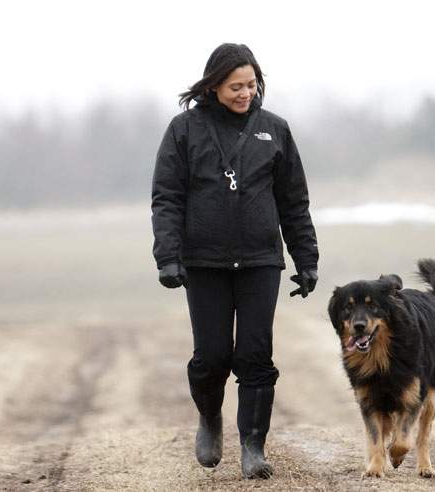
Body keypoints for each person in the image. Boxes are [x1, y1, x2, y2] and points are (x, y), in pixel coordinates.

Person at [150, 43, 319, 479]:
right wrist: (168, 257)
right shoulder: (184, 130)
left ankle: (253, 447)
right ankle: (209, 418)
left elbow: (293, 201)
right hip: (204, 263)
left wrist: (306, 258)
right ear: (213, 85)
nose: (245, 94)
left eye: (251, 85)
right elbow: (166, 198)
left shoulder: (274, 130)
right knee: (212, 356)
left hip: (261, 261)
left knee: (256, 354)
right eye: (235, 87)